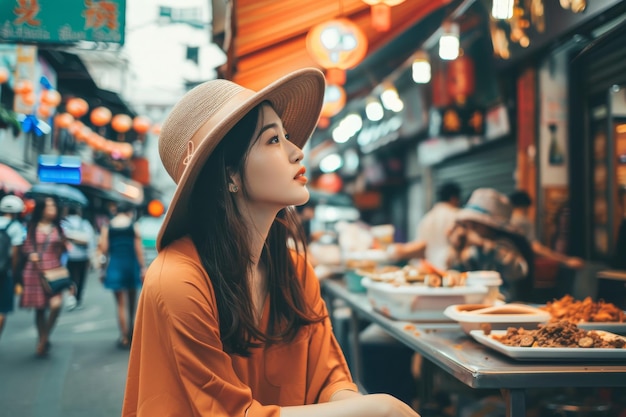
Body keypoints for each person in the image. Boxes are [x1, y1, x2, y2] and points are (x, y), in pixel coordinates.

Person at [121, 68, 420, 417]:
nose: (297, 152)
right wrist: (379, 409)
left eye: (286, 136)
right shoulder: (178, 280)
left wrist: (361, 407)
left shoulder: (293, 268)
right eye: (273, 140)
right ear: (229, 174)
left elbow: (330, 379)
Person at [447, 188, 534, 301]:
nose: (471, 227)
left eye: (475, 223)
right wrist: (457, 248)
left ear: (491, 225)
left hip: (509, 309)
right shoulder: (476, 250)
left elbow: (518, 271)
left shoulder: (505, 244)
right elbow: (461, 271)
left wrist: (483, 244)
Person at [20, 196, 68, 357]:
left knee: (56, 305)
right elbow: (25, 247)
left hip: (54, 271)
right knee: (40, 309)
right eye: (48, 206)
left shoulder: (59, 228)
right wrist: (31, 254)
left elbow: (62, 251)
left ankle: (45, 337)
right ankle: (42, 339)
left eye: (53, 206)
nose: (51, 209)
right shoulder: (31, 228)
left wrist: (63, 244)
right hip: (35, 271)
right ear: (41, 209)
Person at [98, 202, 145, 349]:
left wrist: (102, 269)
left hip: (115, 266)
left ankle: (124, 337)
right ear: (129, 211)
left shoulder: (108, 226)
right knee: (132, 302)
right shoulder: (133, 225)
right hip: (131, 266)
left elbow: (104, 249)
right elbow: (138, 249)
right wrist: (143, 268)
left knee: (120, 304)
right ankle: (132, 333)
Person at [389, 182, 462, 270]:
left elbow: (420, 247)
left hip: (428, 271)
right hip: (451, 270)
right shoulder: (459, 216)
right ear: (454, 198)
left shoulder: (426, 218)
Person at [508, 190, 584, 269]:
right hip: (522, 267)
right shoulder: (524, 222)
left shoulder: (506, 221)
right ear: (526, 207)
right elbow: (536, 248)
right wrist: (567, 260)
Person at [0, 195, 26, 342]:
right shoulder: (16, 228)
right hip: (4, 272)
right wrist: (16, 275)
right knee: (2, 309)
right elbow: (16, 255)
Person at [61, 205, 95, 310]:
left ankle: (71, 297)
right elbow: (91, 241)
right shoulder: (84, 223)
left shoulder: (64, 223)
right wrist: (91, 256)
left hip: (69, 256)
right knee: (81, 278)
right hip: (83, 255)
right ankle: (78, 299)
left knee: (71, 278)